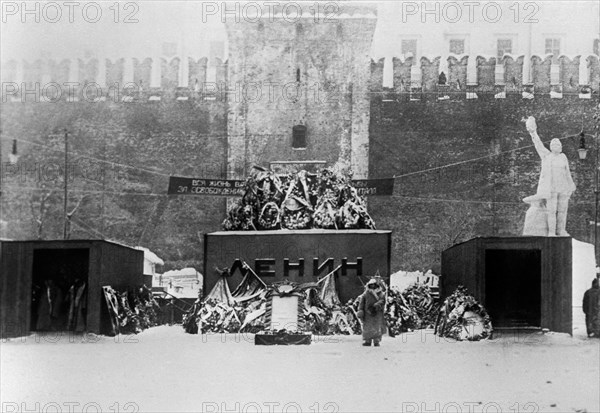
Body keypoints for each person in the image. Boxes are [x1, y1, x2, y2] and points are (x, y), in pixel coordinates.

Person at [525, 116, 576, 236]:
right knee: (551, 211)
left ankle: (561, 230)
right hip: (551, 188)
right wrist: (533, 132)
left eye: (558, 144)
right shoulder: (547, 156)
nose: (556, 145)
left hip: (563, 188)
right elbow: (538, 144)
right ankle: (552, 232)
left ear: (561, 147)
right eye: (554, 144)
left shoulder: (563, 157)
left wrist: (571, 185)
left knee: (562, 211)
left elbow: (567, 173)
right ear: (551, 147)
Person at [357, 278, 386, 346]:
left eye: (374, 285)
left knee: (377, 327)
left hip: (377, 313)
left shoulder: (380, 293)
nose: (372, 286)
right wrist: (360, 310)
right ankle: (367, 341)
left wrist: (375, 306)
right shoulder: (366, 294)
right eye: (371, 285)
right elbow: (362, 303)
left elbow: (382, 301)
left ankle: (376, 341)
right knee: (367, 327)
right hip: (367, 313)